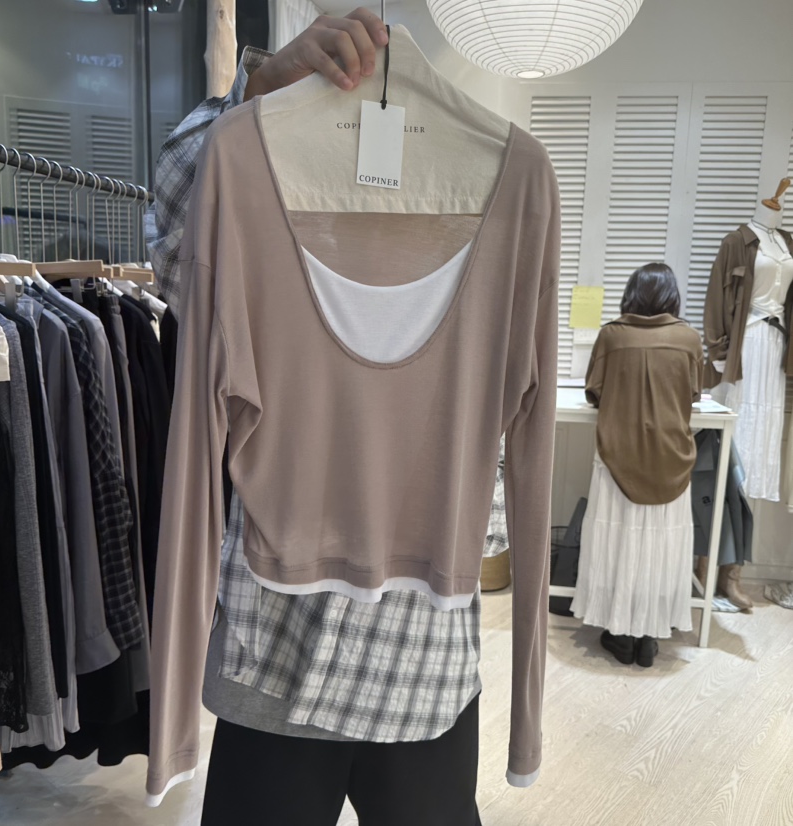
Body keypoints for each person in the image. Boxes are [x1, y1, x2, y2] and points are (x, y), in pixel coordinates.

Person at [146, 10, 511, 825]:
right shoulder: (257, 194)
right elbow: (171, 229)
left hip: (419, 660)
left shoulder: (499, 197)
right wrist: (256, 93)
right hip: (282, 646)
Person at [571, 264, 703, 668]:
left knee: (617, 541)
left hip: (619, 458)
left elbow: (595, 392)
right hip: (670, 460)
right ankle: (648, 637)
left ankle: (620, 634)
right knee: (660, 546)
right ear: (672, 296)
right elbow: (692, 393)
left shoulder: (611, 336)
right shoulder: (688, 338)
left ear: (631, 294)